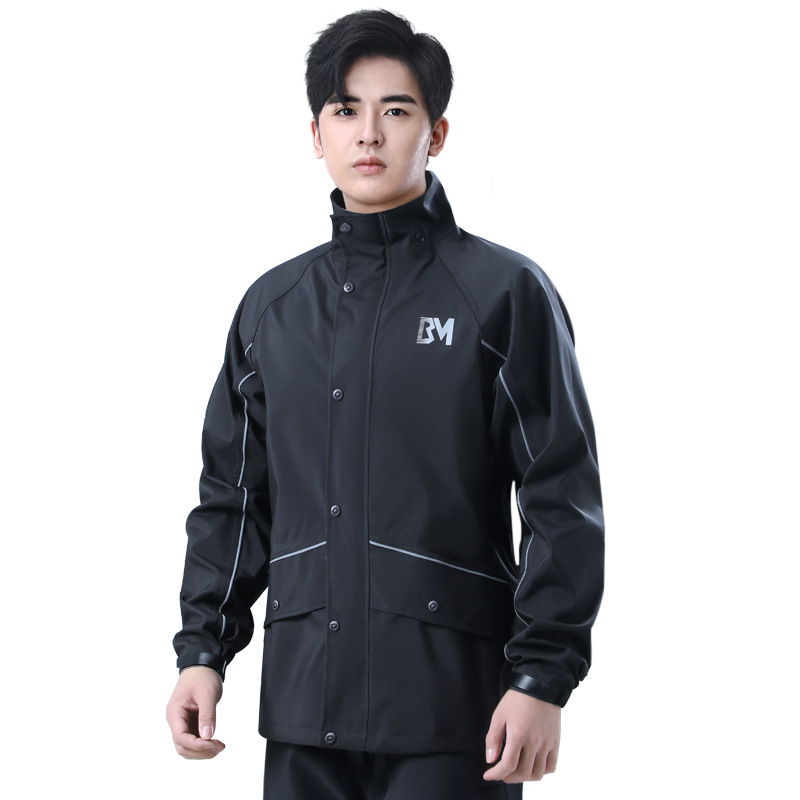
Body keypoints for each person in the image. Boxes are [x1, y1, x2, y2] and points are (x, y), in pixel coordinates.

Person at [166, 9, 604, 799]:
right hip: (304, 709)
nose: (368, 133)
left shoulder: (502, 294)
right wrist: (202, 652)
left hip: (454, 709)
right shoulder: (273, 308)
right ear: (316, 134)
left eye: (396, 110)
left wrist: (541, 676)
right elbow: (234, 501)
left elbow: (560, 497)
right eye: (346, 110)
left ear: (437, 133)